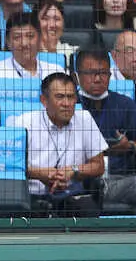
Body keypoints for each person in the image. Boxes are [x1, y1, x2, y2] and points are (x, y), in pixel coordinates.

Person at [15, 72, 107, 216]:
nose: (66, 104)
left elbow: (99, 165)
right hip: (32, 197)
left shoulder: (85, 119)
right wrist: (40, 174)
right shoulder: (24, 123)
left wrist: (73, 171)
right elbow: (12, 167)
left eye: (70, 97)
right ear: (44, 100)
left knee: (90, 209)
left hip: (71, 196)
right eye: (59, 97)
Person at [75, 47, 136, 176]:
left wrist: (130, 146)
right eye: (90, 73)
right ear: (77, 76)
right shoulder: (68, 104)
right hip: (81, 176)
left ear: (110, 75)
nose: (98, 79)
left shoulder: (124, 103)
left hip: (120, 180)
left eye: (103, 73)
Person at [0, 12, 64, 79]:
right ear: (8, 42)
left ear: (40, 39)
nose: (24, 43)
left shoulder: (56, 72)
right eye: (17, 37)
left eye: (30, 36)